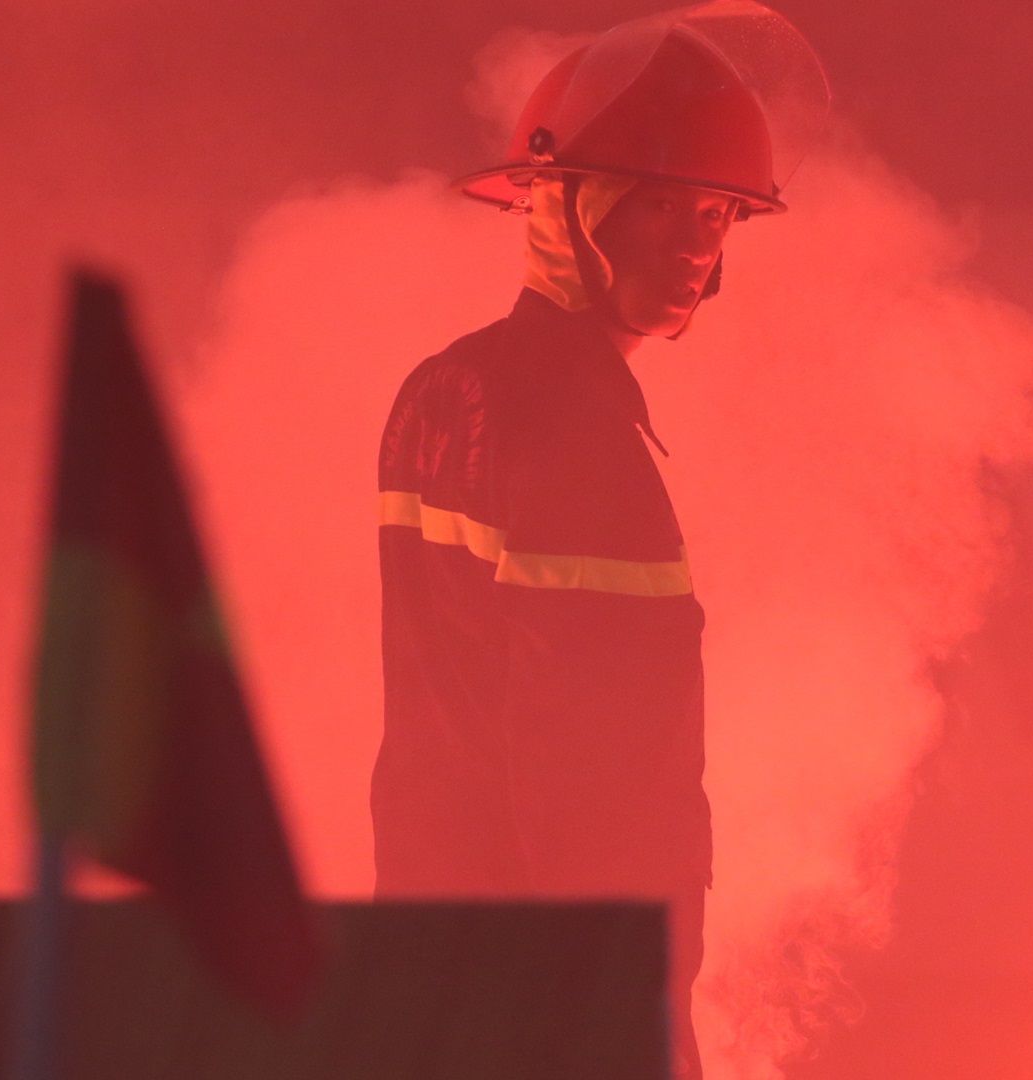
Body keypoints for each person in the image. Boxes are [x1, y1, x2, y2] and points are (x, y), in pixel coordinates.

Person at [371, 5, 826, 1074]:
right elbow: (596, 779)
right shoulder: (579, 438)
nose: (698, 251)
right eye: (666, 207)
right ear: (573, 210)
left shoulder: (441, 389)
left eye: (718, 215)